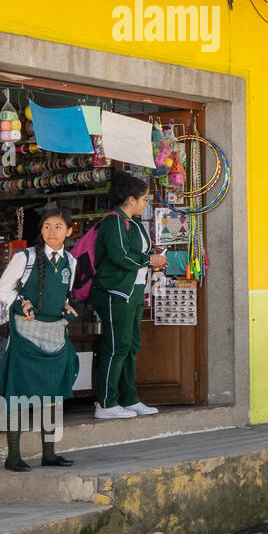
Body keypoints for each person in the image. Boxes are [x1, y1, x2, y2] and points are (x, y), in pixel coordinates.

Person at [0, 207, 79, 471]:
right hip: (26, 335)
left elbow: (64, 294)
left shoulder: (71, 262)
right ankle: (13, 457)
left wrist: (66, 307)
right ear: (41, 230)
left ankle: (49, 454)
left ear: (69, 231)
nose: (52, 232)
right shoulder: (25, 258)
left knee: (52, 394)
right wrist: (21, 303)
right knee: (18, 392)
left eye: (58, 227)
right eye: (47, 227)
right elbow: (2, 289)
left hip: (54, 335)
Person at [91, 173, 166, 419]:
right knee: (116, 346)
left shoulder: (132, 223)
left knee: (131, 345)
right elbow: (119, 255)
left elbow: (134, 254)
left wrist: (154, 260)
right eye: (144, 199)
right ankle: (105, 402)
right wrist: (148, 260)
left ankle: (129, 398)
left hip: (132, 292)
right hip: (115, 292)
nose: (146, 203)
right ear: (131, 199)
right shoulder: (114, 221)